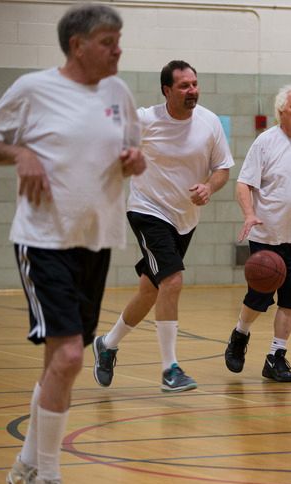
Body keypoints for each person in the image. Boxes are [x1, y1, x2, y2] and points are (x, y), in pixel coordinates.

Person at [0, 4, 144, 484]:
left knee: (58, 366)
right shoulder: (33, 88)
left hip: (96, 241)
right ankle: (47, 482)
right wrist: (21, 154)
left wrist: (137, 159)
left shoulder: (120, 93)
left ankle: (25, 465)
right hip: (43, 239)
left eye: (119, 39)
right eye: (109, 41)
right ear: (77, 46)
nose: (118, 49)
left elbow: (135, 152)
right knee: (69, 358)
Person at [92, 60, 233, 393]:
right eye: (184, 86)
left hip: (184, 219)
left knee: (150, 290)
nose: (192, 91)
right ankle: (170, 369)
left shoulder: (210, 122)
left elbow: (223, 168)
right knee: (172, 280)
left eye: (195, 84)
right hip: (147, 210)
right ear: (167, 90)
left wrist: (209, 187)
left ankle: (107, 344)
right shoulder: (145, 120)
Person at [224, 82, 291, 383]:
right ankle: (240, 334)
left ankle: (276, 356)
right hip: (267, 234)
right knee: (259, 297)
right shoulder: (266, 142)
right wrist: (249, 214)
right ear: (281, 111)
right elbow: (243, 184)